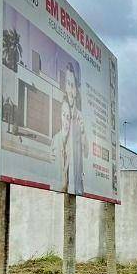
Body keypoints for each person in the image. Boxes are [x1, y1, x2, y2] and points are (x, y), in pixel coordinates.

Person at [63, 62, 88, 195]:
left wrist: (83, 132)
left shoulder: (80, 116)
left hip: (77, 183)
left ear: (76, 90)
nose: (70, 89)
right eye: (68, 83)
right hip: (64, 183)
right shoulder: (63, 112)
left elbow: (87, 152)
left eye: (73, 85)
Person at [50, 97, 72, 192]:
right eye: (64, 115)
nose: (66, 120)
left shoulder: (73, 143)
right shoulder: (55, 139)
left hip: (66, 189)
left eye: (68, 116)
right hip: (56, 190)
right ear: (60, 116)